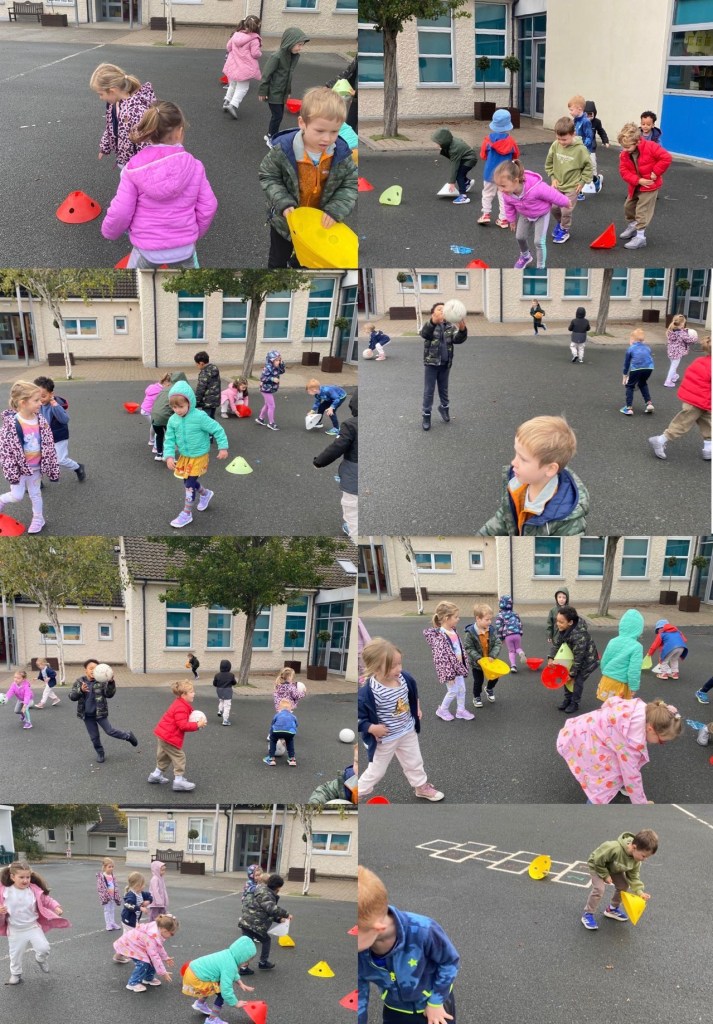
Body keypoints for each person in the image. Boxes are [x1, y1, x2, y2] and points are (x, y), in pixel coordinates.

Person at [101, 101, 218, 269]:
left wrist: (109, 232)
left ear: (150, 133)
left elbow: (121, 210)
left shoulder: (133, 169)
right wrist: (194, 233)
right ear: (179, 132)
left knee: (136, 278)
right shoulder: (195, 166)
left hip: (147, 249)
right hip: (185, 248)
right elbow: (209, 206)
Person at [258, 86, 357, 268]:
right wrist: (283, 202)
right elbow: (269, 176)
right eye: (320, 131)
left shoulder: (341, 155)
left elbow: (350, 184)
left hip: (319, 223)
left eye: (334, 132)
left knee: (309, 261)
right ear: (302, 123)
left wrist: (336, 209)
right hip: (286, 221)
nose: (327, 138)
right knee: (277, 261)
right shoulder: (283, 150)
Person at [358, 865, 459, 1024]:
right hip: (395, 1009)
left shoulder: (424, 930)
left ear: (377, 929)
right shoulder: (359, 954)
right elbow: (358, 996)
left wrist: (436, 1001)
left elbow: (449, 962)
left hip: (433, 1006)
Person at [358, 637, 443, 802]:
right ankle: (358, 791)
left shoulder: (404, 678)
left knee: (414, 761)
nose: (399, 669)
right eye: (392, 666)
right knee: (376, 771)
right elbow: (359, 718)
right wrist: (372, 728)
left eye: (399, 663)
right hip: (385, 739)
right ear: (375, 668)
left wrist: (416, 708)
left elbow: (413, 694)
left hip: (407, 731)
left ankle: (421, 787)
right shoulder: (369, 693)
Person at [556, 697, 683, 803]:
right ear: (650, 729)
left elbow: (611, 701)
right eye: (661, 741)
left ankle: (617, 786)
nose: (661, 744)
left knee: (617, 760)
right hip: (587, 743)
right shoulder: (632, 743)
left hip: (580, 730)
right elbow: (632, 777)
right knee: (603, 785)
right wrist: (641, 804)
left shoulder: (639, 707)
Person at [478, 415, 589, 536]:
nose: (513, 462)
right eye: (516, 453)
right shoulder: (517, 486)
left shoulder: (567, 522)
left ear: (550, 469)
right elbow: (504, 519)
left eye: (523, 459)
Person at [163, 380, 229, 529]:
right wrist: (169, 456)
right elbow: (169, 439)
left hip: (199, 455)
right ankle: (205, 494)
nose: (177, 410)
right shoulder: (173, 420)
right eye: (174, 407)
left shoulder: (199, 417)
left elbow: (217, 429)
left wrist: (223, 447)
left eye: (181, 406)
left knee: (189, 485)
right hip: (185, 456)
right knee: (187, 482)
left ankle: (186, 513)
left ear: (189, 402)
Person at [0, 379, 60, 534]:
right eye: (36, 400)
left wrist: (51, 465)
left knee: (35, 494)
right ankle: (1, 500)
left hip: (36, 469)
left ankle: (39, 518)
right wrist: (11, 471)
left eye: (40, 399)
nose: (40, 403)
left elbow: (49, 444)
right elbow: (5, 452)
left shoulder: (41, 420)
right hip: (19, 470)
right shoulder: (11, 424)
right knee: (17, 496)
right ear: (23, 403)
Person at [0, 860, 69, 985]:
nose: (25, 880)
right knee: (15, 954)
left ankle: (40, 959)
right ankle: (15, 974)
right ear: (12, 877)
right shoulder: (4, 891)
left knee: (44, 948)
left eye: (28, 877)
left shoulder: (33, 890)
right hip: (15, 930)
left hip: (32, 927)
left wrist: (56, 907)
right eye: (21, 877)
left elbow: (46, 900)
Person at [493, 158, 570, 269]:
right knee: (520, 237)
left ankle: (540, 267)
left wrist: (566, 202)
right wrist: (511, 220)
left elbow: (552, 194)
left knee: (539, 242)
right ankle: (526, 256)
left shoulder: (536, 188)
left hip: (541, 214)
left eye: (503, 186)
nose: (500, 189)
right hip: (525, 214)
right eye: (498, 186)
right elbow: (508, 207)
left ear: (515, 181)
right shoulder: (507, 194)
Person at [649, 335, 711, 461]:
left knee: (708, 423)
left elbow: (691, 377)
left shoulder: (700, 361)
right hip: (698, 401)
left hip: (700, 399)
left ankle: (709, 449)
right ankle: (660, 440)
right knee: (683, 423)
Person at [581, 830, 657, 931]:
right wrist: (605, 875)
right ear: (634, 847)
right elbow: (597, 860)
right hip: (597, 866)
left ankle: (612, 909)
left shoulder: (636, 860)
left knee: (623, 886)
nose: (645, 859)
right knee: (599, 889)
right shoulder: (613, 848)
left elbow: (633, 877)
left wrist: (640, 892)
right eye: (644, 856)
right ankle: (588, 914)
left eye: (647, 857)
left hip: (614, 868)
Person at [89, 62, 156, 170]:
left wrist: (143, 167)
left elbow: (144, 141)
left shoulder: (136, 110)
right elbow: (111, 127)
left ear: (112, 91)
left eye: (101, 94)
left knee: (131, 181)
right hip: (124, 159)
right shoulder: (114, 104)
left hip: (137, 165)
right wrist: (104, 147)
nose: (100, 98)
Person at [69, 658, 138, 763]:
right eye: (91, 668)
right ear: (85, 670)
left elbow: (109, 694)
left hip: (100, 713)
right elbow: (72, 697)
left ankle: (128, 735)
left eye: (95, 668)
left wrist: (111, 682)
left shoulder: (101, 681)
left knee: (110, 731)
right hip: (87, 716)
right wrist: (80, 690)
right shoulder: (79, 682)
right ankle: (100, 753)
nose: (93, 670)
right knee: (94, 737)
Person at [617, 121, 672, 249]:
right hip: (636, 185)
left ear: (637, 142)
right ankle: (633, 226)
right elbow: (623, 171)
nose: (624, 150)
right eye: (623, 146)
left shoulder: (651, 146)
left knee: (642, 210)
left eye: (627, 147)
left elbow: (666, 158)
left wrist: (656, 172)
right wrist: (638, 180)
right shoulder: (625, 154)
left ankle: (640, 237)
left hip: (649, 186)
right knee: (628, 207)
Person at [149, 678, 207, 792]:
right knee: (179, 757)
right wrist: (197, 725)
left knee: (164, 756)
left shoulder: (180, 704)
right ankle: (178, 781)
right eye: (191, 692)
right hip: (169, 736)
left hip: (163, 734)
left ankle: (156, 775)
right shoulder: (181, 707)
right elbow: (183, 726)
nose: (194, 693)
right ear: (184, 694)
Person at [313, 390, 358, 540]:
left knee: (352, 508)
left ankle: (354, 532)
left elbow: (337, 447)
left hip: (354, 476)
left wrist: (319, 462)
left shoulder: (351, 425)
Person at [182, 936, 256, 1024]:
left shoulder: (228, 954)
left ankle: (200, 1004)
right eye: (246, 961)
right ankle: (212, 1020)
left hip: (192, 970)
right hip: (198, 978)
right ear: (241, 957)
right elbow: (226, 989)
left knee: (210, 987)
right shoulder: (230, 965)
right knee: (221, 994)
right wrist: (235, 1003)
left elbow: (232, 971)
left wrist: (240, 983)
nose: (246, 964)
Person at [258, 27, 310, 148]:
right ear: (290, 42)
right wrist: (262, 91)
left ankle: (270, 134)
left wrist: (288, 92)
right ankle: (271, 137)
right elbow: (266, 75)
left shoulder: (291, 56)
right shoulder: (276, 56)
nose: (300, 48)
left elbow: (287, 77)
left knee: (278, 115)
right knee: (277, 116)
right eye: (299, 45)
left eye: (302, 45)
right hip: (274, 92)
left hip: (281, 92)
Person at [544, 116, 593, 244]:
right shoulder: (555, 145)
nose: (561, 142)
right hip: (558, 184)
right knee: (554, 208)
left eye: (564, 139)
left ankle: (564, 230)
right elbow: (549, 163)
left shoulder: (580, 149)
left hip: (572, 186)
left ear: (573, 134)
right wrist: (553, 178)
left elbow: (588, 167)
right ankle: (560, 223)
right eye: (558, 138)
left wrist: (582, 182)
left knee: (566, 209)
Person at [423, 602, 474, 722]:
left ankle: (460, 710)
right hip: (450, 670)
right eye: (456, 617)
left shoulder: (452, 630)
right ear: (447, 618)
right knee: (453, 691)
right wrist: (449, 675)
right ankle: (442, 710)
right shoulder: (440, 637)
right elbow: (441, 658)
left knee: (462, 689)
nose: (458, 619)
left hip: (458, 667)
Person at [420, 302, 467, 432]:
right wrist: (433, 322)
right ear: (433, 313)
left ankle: (444, 408)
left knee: (444, 389)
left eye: (444, 309)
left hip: (445, 364)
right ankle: (426, 415)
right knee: (429, 391)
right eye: (439, 309)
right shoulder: (430, 326)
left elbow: (457, 339)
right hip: (431, 364)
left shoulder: (450, 326)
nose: (442, 311)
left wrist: (462, 329)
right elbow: (425, 334)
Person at [549, 605, 599, 714]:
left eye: (561, 622)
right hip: (573, 658)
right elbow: (557, 644)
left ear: (570, 622)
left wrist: (571, 674)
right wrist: (551, 657)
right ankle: (568, 699)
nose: (558, 624)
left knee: (576, 681)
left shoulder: (579, 636)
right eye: (557, 621)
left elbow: (579, 658)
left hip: (586, 662)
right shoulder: (563, 629)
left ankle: (574, 703)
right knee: (565, 678)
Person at [34, 376, 85, 482]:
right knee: (37, 458)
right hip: (43, 437)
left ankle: (78, 467)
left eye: (43, 396)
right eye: (37, 397)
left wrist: (55, 406)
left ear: (51, 394)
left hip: (58, 437)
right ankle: (36, 481)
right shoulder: (36, 404)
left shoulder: (55, 405)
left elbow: (65, 420)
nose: (40, 400)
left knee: (60, 460)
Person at [238, 874, 292, 972]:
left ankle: (243, 967)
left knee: (248, 945)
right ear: (278, 887)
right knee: (266, 941)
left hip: (246, 921)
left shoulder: (261, 889)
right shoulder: (267, 894)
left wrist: (279, 919)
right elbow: (271, 908)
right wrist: (286, 914)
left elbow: (264, 910)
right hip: (255, 924)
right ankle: (263, 962)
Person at [113, 913, 177, 993]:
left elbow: (159, 947)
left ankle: (148, 978)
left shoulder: (157, 930)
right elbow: (154, 956)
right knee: (143, 962)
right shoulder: (151, 937)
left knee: (150, 960)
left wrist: (165, 957)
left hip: (136, 943)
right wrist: (163, 972)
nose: (172, 936)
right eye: (172, 934)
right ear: (164, 930)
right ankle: (133, 983)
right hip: (130, 944)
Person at [478, 108, 520, 226]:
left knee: (487, 193)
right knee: (503, 196)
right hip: (506, 174)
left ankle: (486, 214)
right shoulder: (511, 141)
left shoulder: (488, 140)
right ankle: (503, 219)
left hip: (490, 173)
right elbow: (516, 155)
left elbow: (483, 155)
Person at [596, 609, 645, 702]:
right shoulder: (637, 647)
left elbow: (604, 660)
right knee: (620, 708)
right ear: (639, 629)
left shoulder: (612, 641)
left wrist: (605, 672)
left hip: (607, 679)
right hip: (621, 683)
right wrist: (633, 687)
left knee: (608, 706)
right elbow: (634, 670)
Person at [463, 602, 503, 708]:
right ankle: (476, 696)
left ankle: (489, 688)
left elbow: (498, 643)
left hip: (490, 661)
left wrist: (492, 655)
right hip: (478, 664)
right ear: (478, 619)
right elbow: (469, 648)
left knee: (495, 677)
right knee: (478, 681)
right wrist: (478, 658)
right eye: (487, 619)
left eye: (490, 619)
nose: (490, 622)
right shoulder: (470, 633)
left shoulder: (491, 630)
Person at [222, 15, 262, 118]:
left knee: (232, 85)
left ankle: (226, 101)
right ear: (257, 26)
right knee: (243, 88)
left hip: (233, 65)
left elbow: (228, 47)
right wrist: (260, 53)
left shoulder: (236, 35)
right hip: (245, 68)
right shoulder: (254, 39)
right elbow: (255, 54)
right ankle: (233, 105)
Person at [430, 127, 477, 204]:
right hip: (465, 158)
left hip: (469, 160)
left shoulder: (454, 149)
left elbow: (454, 165)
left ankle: (463, 196)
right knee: (460, 173)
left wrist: (451, 182)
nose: (436, 144)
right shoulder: (451, 142)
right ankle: (467, 182)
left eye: (438, 142)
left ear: (443, 141)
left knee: (458, 175)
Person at [567, 93, 600, 196]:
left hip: (585, 150)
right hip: (576, 149)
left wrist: (583, 146)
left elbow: (589, 137)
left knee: (586, 172)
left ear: (579, 109)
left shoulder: (586, 122)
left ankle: (595, 180)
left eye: (571, 110)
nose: (570, 112)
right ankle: (579, 192)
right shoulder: (575, 121)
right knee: (577, 170)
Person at [621, 328, 655, 415]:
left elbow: (626, 363)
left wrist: (624, 375)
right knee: (642, 383)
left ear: (632, 339)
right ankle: (649, 403)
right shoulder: (647, 348)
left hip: (636, 369)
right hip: (649, 368)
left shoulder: (631, 348)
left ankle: (628, 408)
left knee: (630, 386)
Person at [140, 372, 172, 454]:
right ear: (166, 382)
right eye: (170, 384)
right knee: (158, 426)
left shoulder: (153, 386)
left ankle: (151, 441)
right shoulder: (162, 391)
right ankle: (156, 447)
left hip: (144, 409)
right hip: (149, 410)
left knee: (154, 425)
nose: (170, 386)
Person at [582, 99, 609, 194]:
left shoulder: (597, 122)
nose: (588, 116)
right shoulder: (579, 121)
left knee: (592, 163)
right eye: (586, 114)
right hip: (580, 146)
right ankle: (582, 180)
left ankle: (595, 180)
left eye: (591, 114)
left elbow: (601, 131)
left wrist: (605, 141)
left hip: (591, 147)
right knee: (580, 164)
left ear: (594, 113)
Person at [494, 596, 526, 674]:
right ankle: (521, 653)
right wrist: (520, 632)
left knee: (511, 651)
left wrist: (500, 638)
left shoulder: (500, 615)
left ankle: (513, 666)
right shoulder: (515, 614)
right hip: (517, 634)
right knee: (518, 648)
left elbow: (499, 627)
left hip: (508, 635)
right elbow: (520, 624)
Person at [255, 350, 286, 431]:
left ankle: (260, 418)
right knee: (272, 406)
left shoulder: (276, 366)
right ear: (271, 360)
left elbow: (282, 371)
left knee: (267, 404)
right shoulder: (267, 368)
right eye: (276, 360)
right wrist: (272, 379)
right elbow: (263, 378)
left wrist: (282, 364)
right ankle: (271, 423)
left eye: (279, 360)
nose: (278, 362)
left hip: (269, 389)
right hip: (265, 389)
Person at [664, 314, 698, 387]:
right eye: (684, 323)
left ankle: (674, 376)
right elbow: (689, 340)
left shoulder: (670, 330)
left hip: (670, 351)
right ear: (682, 323)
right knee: (673, 366)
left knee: (673, 365)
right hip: (678, 352)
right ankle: (668, 381)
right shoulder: (681, 333)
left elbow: (678, 335)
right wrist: (695, 338)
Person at [264, 699, 298, 766]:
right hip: (290, 732)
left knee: (273, 740)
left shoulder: (277, 715)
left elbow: (273, 724)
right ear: (290, 709)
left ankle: (271, 758)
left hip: (277, 731)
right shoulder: (293, 716)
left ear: (279, 709)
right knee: (289, 741)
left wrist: (271, 734)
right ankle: (292, 759)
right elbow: (296, 725)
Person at [194, 352, 221, 420]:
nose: (196, 366)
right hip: (215, 399)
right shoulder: (214, 368)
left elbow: (200, 389)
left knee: (206, 419)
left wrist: (196, 401)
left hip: (207, 401)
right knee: (212, 418)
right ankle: (214, 427)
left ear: (201, 363)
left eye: (197, 364)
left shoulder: (205, 373)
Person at [97, 857, 122, 931]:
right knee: (107, 910)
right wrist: (104, 896)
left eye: (112, 867)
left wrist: (116, 895)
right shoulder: (102, 877)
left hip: (112, 896)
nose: (111, 868)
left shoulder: (112, 876)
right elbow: (100, 888)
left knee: (112, 909)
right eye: (109, 867)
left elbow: (115, 885)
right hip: (106, 897)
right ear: (104, 867)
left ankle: (112, 922)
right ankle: (108, 924)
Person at [212, 658, 237, 726]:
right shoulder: (231, 675)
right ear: (229, 667)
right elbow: (234, 683)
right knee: (227, 706)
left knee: (221, 701)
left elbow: (214, 684)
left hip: (219, 690)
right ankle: (225, 721)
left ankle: (220, 710)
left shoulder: (217, 675)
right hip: (227, 691)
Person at [546, 588, 570, 654]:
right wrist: (549, 635)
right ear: (556, 598)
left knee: (567, 651)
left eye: (564, 597)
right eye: (559, 597)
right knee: (556, 651)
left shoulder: (570, 610)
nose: (561, 599)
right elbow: (549, 624)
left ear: (567, 599)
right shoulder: (553, 610)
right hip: (556, 636)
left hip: (568, 636)